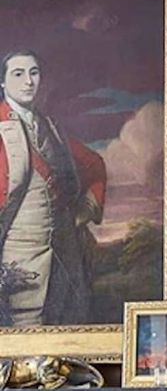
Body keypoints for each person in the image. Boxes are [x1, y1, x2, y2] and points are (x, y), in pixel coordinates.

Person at [0, 49, 106, 326]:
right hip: (15, 254)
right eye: (18, 74)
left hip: (61, 252)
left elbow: (94, 165)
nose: (28, 82)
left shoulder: (51, 128)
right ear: (3, 82)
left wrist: (82, 212)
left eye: (34, 73)